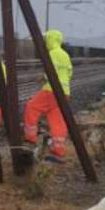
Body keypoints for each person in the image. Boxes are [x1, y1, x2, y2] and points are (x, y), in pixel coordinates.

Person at [23, 29, 72, 163]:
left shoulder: (52, 53)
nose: (45, 42)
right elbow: (69, 73)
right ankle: (58, 150)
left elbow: (52, 70)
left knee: (31, 107)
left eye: (47, 39)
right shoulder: (65, 55)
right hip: (65, 92)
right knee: (57, 119)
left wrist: (44, 77)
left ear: (51, 39)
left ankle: (30, 138)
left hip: (52, 90)